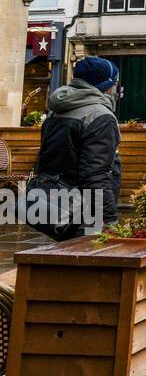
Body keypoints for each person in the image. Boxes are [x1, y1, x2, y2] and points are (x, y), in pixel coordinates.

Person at [26, 56, 122, 241]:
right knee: (87, 261)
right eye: (115, 82)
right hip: (82, 210)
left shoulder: (57, 110)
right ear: (106, 85)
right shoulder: (100, 116)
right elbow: (95, 174)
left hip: (53, 200)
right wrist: (109, 220)